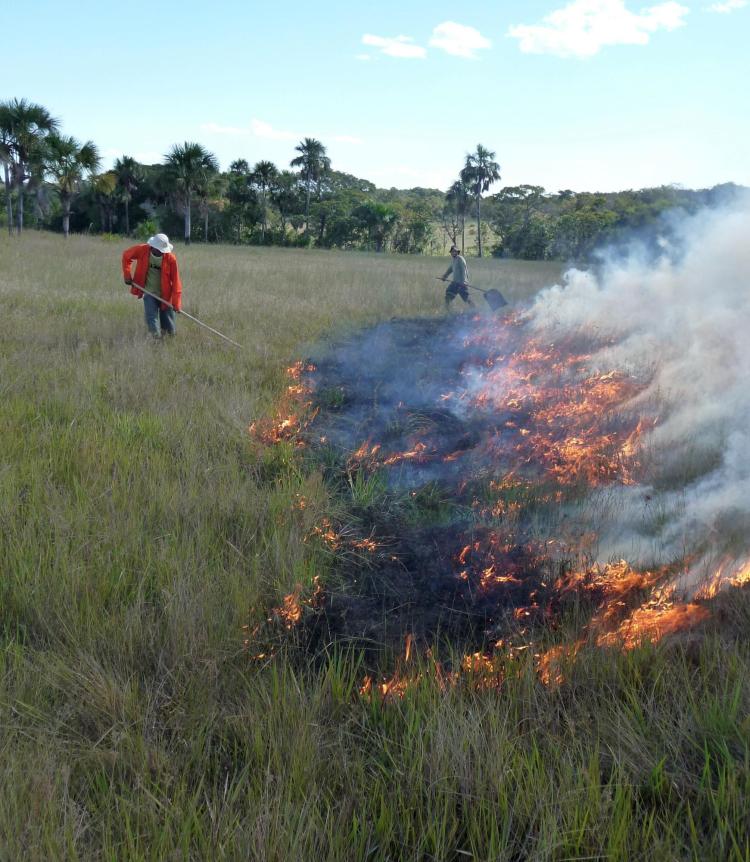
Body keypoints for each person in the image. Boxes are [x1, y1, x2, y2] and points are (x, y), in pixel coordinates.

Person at [122, 233, 182, 338]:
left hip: (165, 296)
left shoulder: (171, 259)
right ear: (153, 247)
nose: (160, 252)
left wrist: (176, 304)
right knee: (151, 319)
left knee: (169, 330)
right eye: (158, 250)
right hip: (149, 292)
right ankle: (156, 342)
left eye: (162, 251)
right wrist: (127, 275)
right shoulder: (142, 250)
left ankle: (169, 342)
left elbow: (176, 281)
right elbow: (126, 256)